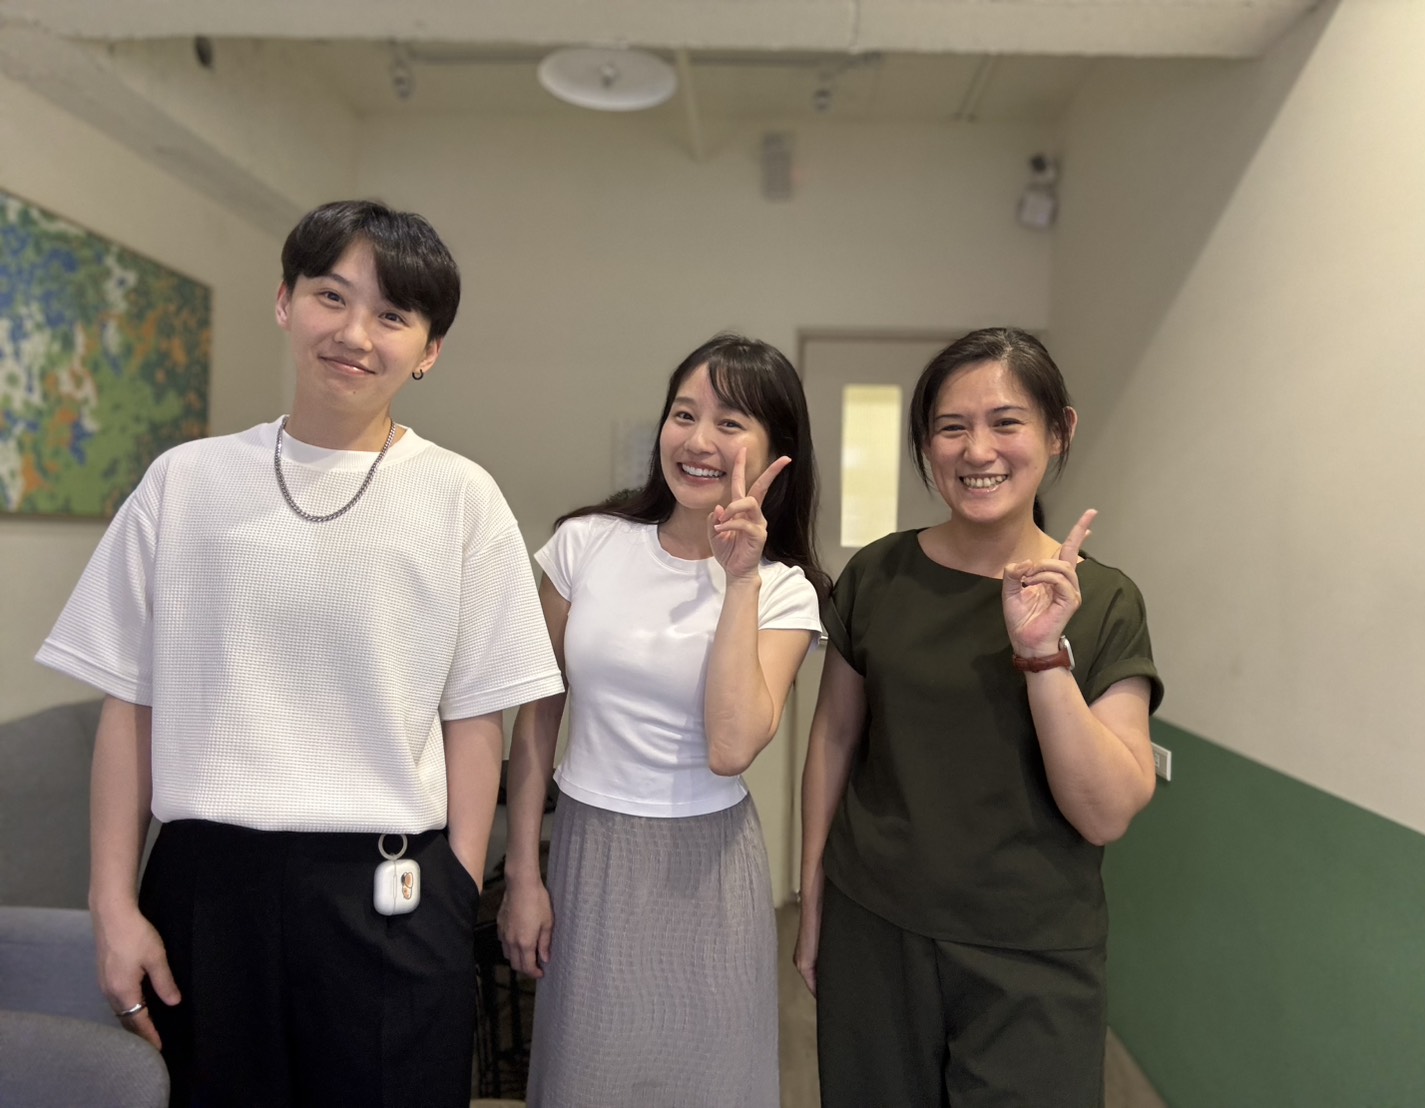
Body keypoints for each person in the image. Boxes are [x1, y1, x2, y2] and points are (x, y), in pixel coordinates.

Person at [36, 200, 564, 1107]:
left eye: (392, 315)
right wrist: (111, 905)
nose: (354, 334)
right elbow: (130, 702)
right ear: (284, 302)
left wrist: (455, 883)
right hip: (206, 891)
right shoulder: (184, 481)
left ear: (429, 350)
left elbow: (476, 713)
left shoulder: (460, 496)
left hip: (393, 892)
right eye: (331, 296)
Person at [795, 327, 1162, 1107]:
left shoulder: (1104, 601)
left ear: (1058, 432)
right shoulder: (878, 574)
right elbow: (833, 737)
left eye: (1005, 422)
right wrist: (813, 892)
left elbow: (1104, 813)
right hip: (875, 927)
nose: (976, 450)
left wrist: (1041, 653)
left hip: (1032, 951)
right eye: (950, 427)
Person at [497, 334, 827, 1108]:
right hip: (590, 852)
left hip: (708, 866)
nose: (698, 440)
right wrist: (521, 873)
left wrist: (738, 580)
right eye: (683, 414)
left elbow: (731, 746)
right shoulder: (584, 545)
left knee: (707, 1084)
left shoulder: (784, 591)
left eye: (729, 422)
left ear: (777, 452)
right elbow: (535, 719)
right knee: (585, 1079)